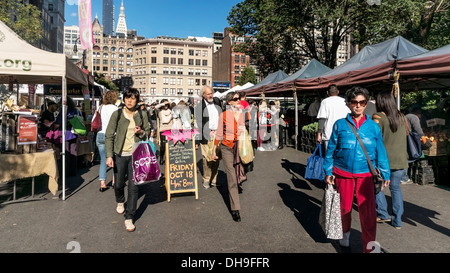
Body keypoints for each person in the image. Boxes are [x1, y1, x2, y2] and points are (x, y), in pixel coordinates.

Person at [323, 86, 390, 252]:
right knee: (345, 208)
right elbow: (330, 150)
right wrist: (328, 170)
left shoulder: (373, 127)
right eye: (354, 102)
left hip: (366, 175)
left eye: (362, 102)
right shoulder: (340, 125)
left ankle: (369, 245)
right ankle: (344, 235)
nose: (358, 105)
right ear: (348, 104)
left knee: (367, 213)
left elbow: (380, 151)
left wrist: (385, 171)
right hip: (343, 173)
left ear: (366, 104)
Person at [105, 88, 151, 232]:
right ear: (124, 98)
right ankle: (120, 200)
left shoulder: (142, 114)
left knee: (133, 186)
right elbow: (109, 135)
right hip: (120, 154)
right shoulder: (117, 114)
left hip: (136, 155)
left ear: (137, 100)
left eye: (133, 98)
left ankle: (129, 217)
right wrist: (109, 155)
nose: (130, 101)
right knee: (118, 184)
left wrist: (142, 132)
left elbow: (148, 132)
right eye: (127, 97)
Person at [372, 91, 409, 230]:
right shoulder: (402, 116)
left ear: (381, 102)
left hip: (383, 160)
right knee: (395, 188)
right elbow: (407, 133)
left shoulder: (378, 117)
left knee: (378, 187)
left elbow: (372, 137)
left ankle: (382, 213)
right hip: (400, 159)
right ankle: (397, 220)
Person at [211, 92, 245, 222]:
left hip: (238, 147)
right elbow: (219, 133)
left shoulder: (241, 114)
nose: (239, 101)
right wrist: (214, 150)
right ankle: (235, 209)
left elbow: (242, 129)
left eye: (239, 99)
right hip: (226, 148)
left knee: (238, 174)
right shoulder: (224, 115)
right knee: (231, 177)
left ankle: (240, 179)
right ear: (230, 102)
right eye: (236, 99)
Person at [194, 85, 223, 189]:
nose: (211, 95)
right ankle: (207, 179)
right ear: (203, 95)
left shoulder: (217, 101)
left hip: (218, 134)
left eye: (212, 93)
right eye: (209, 94)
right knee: (208, 159)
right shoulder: (198, 107)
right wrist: (208, 131)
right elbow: (199, 123)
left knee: (217, 157)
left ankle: (214, 179)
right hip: (207, 135)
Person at [93, 90, 118, 192]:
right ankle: (114, 180)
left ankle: (102, 183)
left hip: (100, 134)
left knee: (103, 160)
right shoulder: (115, 108)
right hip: (111, 136)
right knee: (114, 160)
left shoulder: (100, 107)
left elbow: (93, 121)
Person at [316, 84, 351, 152]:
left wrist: (319, 134)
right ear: (338, 92)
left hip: (329, 134)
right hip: (343, 134)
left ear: (327, 92)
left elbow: (322, 119)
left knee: (330, 157)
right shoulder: (344, 101)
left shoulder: (325, 102)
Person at [401, 106, 424, 184]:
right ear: (419, 114)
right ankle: (403, 178)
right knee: (410, 157)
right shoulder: (414, 117)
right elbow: (418, 129)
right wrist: (423, 137)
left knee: (405, 156)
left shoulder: (406, 116)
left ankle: (402, 176)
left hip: (403, 138)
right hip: (408, 139)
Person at [155, 99, 173, 164]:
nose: (166, 106)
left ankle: (168, 158)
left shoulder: (171, 111)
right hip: (162, 130)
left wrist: (169, 103)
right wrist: (163, 103)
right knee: (163, 145)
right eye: (164, 105)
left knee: (169, 144)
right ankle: (162, 156)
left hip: (169, 129)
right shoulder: (160, 111)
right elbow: (156, 107)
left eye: (167, 105)